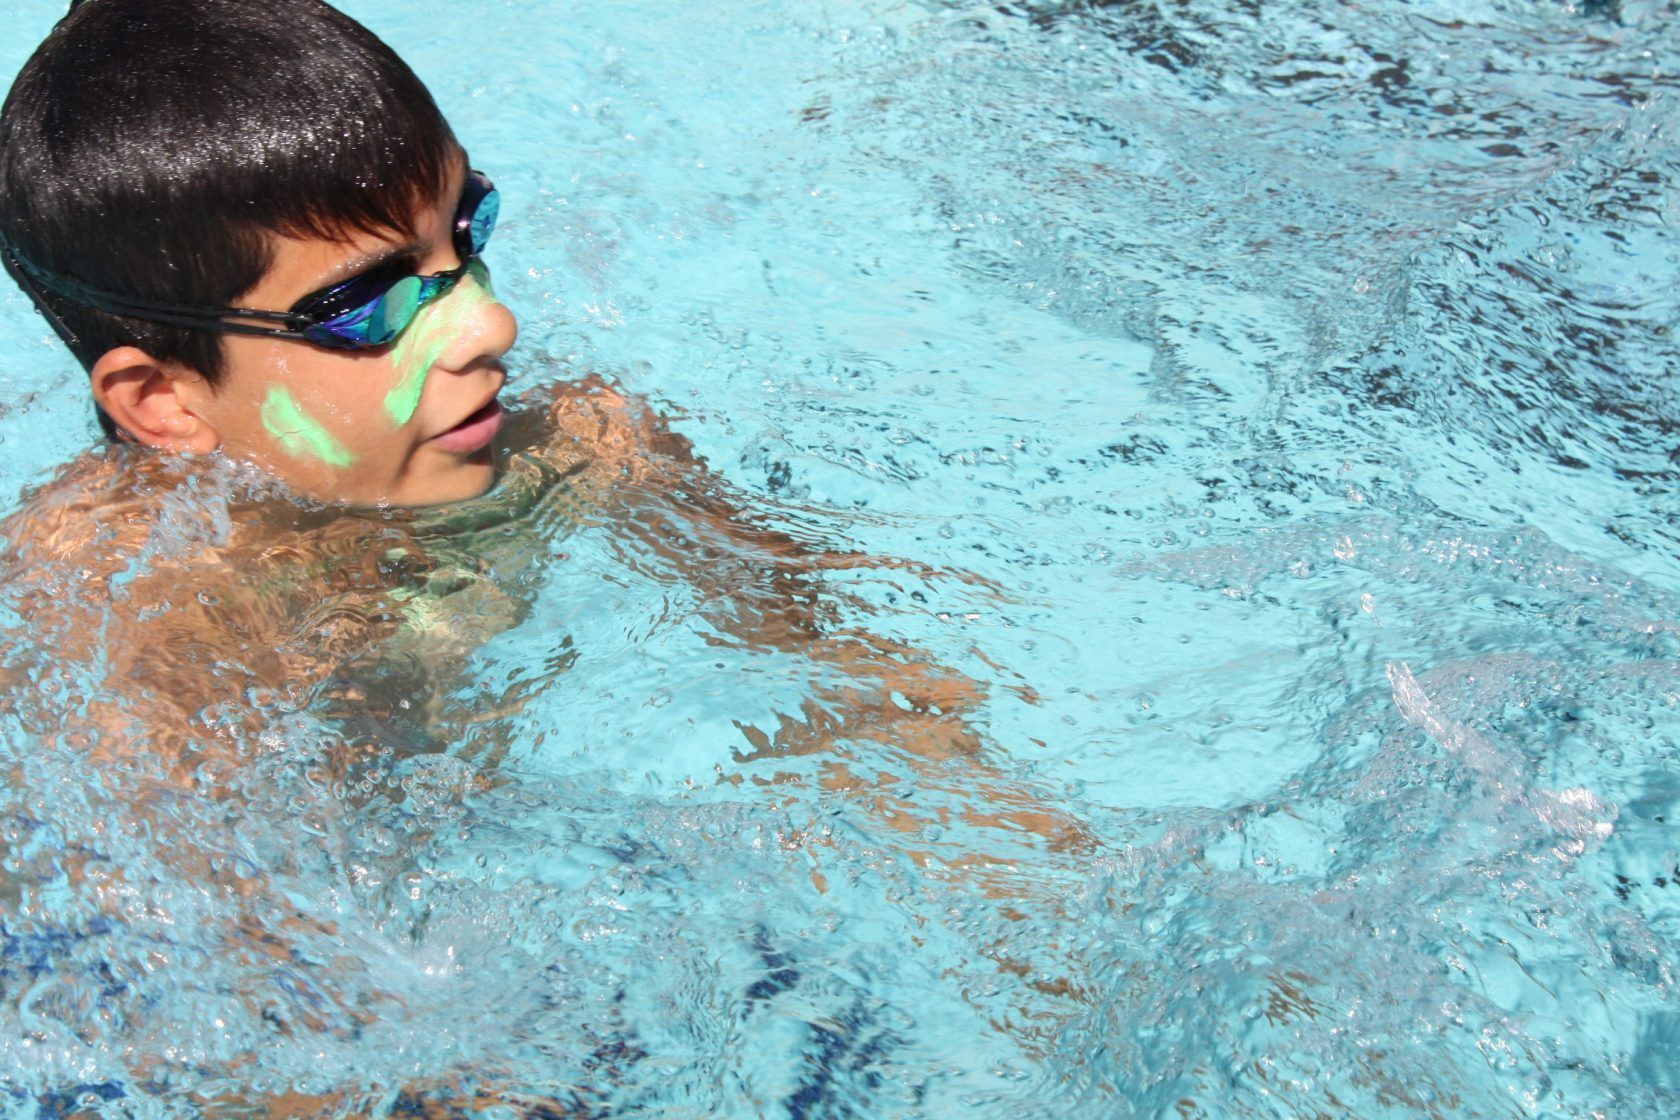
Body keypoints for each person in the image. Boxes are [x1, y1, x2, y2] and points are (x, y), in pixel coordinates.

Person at [0, 0, 1088, 1111]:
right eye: (371, 305)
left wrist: (1053, 915)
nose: (487, 323)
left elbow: (855, 686)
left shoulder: (579, 448)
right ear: (163, 402)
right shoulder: (135, 622)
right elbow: (223, 1006)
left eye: (466, 234)